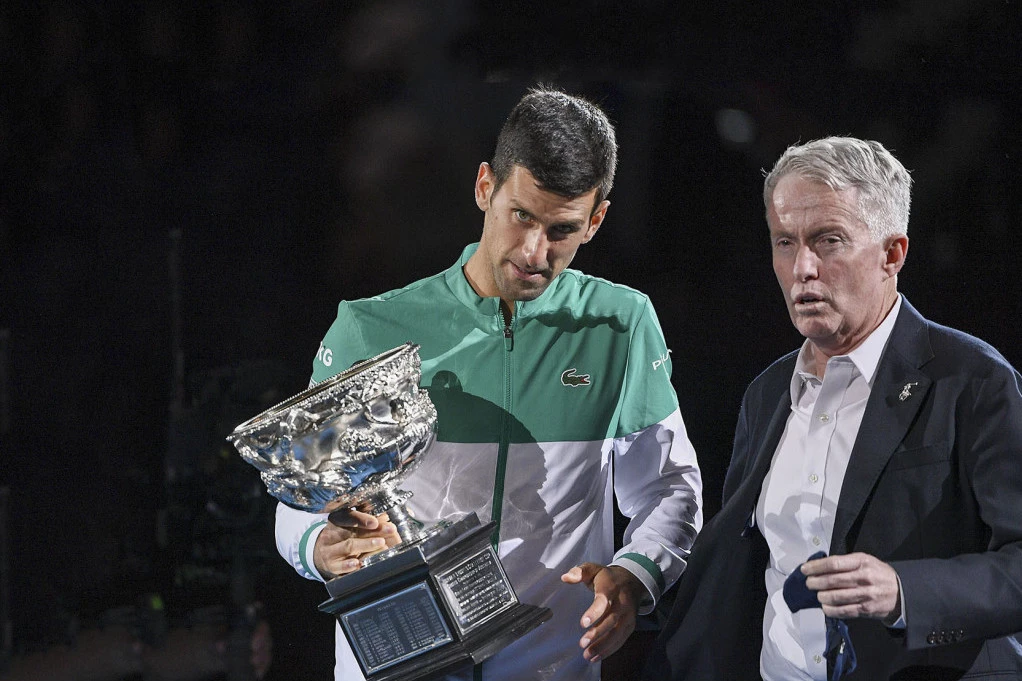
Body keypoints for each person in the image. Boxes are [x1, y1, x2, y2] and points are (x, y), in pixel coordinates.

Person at [275, 87, 703, 681]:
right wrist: (317, 545)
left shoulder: (621, 326)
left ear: (596, 221)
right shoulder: (368, 328)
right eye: (521, 215)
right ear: (485, 187)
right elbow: (298, 498)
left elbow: (669, 488)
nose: (533, 251)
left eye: (561, 229)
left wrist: (636, 575)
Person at [643, 136, 1022, 681]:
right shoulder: (767, 393)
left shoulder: (974, 381)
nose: (802, 268)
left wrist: (903, 592)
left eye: (828, 241)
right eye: (785, 242)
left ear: (892, 254)